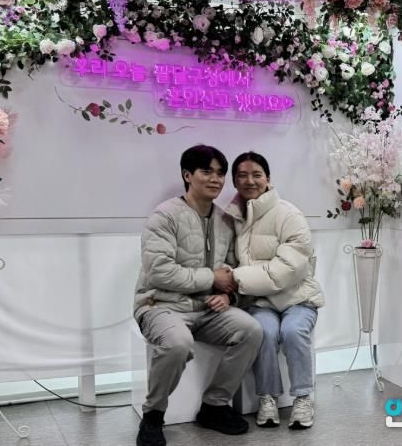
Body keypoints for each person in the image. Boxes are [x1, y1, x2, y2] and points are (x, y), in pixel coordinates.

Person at [134, 145, 263, 446]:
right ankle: (153, 415)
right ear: (187, 175)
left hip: (207, 309)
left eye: (220, 173)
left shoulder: (226, 221)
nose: (215, 179)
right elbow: (159, 272)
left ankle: (214, 406)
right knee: (178, 343)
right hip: (161, 305)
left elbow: (233, 271)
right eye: (206, 171)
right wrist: (211, 278)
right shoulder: (164, 216)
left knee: (251, 330)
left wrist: (229, 297)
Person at [225, 151, 324, 430]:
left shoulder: (289, 214)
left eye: (256, 174)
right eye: (242, 175)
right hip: (259, 302)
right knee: (264, 333)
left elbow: (287, 270)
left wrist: (235, 278)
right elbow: (228, 259)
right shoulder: (233, 218)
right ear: (234, 181)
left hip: (299, 299)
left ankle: (303, 398)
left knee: (292, 331)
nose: (250, 181)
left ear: (268, 179)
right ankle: (267, 398)